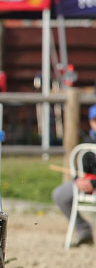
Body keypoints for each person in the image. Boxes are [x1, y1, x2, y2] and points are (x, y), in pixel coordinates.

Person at [53, 104, 96, 247]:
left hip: (93, 184)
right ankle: (83, 230)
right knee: (60, 194)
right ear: (90, 122)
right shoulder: (86, 144)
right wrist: (79, 180)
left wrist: (93, 184)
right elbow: (80, 170)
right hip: (89, 184)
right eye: (95, 120)